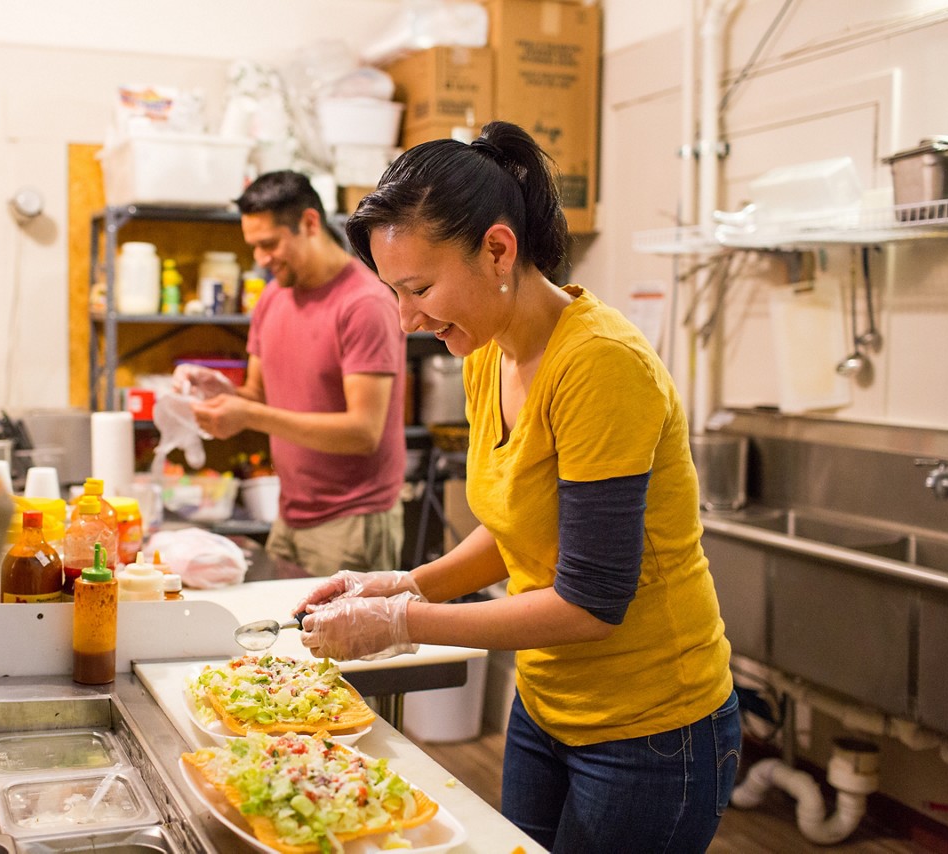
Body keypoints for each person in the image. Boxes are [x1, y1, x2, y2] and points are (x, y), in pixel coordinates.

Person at [295, 122, 740, 852]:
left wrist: (404, 623)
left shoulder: (598, 364)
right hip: (548, 706)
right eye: (394, 294)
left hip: (654, 729)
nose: (408, 318)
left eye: (420, 288)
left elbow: (592, 602)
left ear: (498, 249)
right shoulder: (486, 351)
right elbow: (516, 527)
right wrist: (404, 584)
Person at [174, 170, 408, 577]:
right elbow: (261, 397)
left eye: (269, 244)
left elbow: (364, 431)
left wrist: (248, 416)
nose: (261, 259)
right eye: (254, 247)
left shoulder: (364, 304)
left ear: (310, 223)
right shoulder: (272, 297)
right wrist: (223, 390)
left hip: (353, 520)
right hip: (290, 514)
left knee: (349, 641)